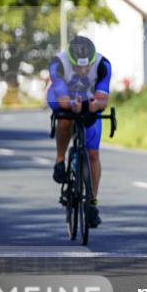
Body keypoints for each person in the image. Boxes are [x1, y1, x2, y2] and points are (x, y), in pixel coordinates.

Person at [47, 36, 111, 228]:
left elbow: (102, 99)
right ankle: (60, 160)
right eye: (77, 67)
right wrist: (71, 106)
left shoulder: (103, 65)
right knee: (65, 119)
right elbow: (61, 99)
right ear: (70, 60)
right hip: (63, 97)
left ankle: (92, 203)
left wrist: (94, 106)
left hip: (89, 99)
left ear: (92, 61)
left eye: (86, 67)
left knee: (93, 154)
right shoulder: (58, 64)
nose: (82, 71)